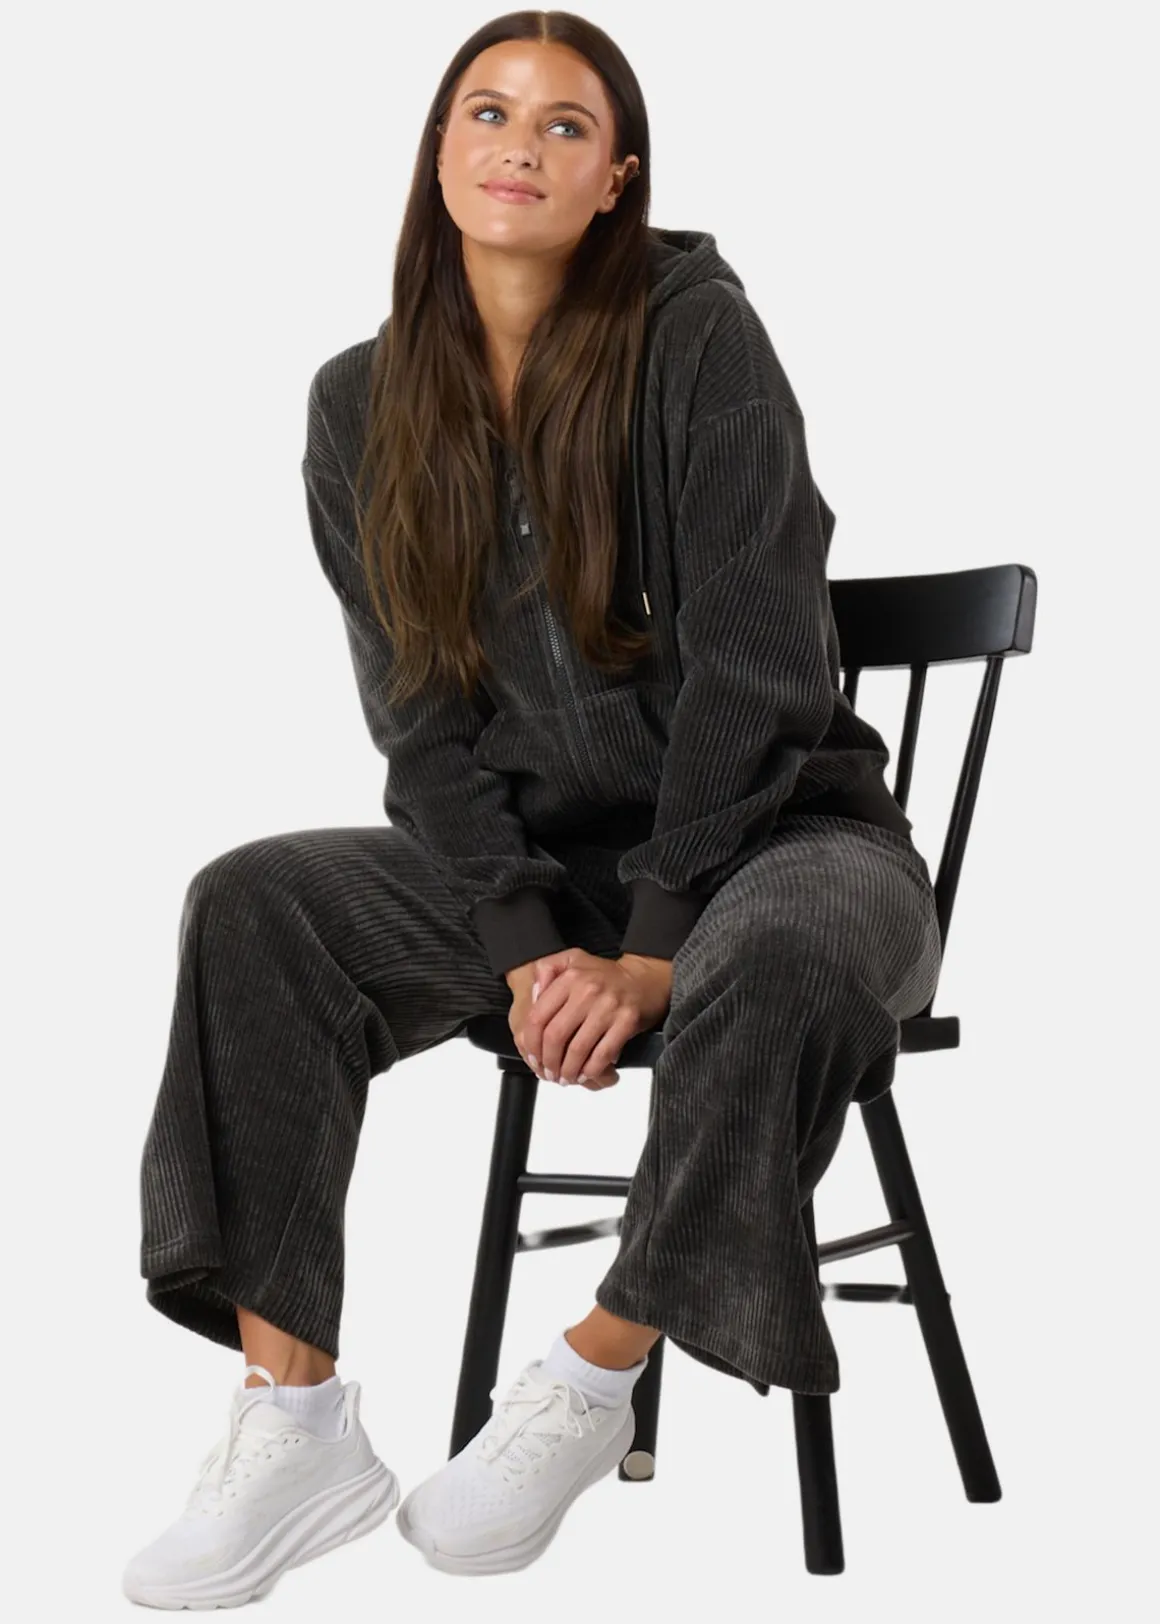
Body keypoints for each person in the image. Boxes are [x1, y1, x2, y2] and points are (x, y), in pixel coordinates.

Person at [123, 11, 943, 1605]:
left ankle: (588, 1373)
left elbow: (759, 668)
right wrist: (525, 940)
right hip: (554, 881)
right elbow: (419, 726)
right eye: (488, 113)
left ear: (614, 178)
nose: (522, 145)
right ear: (439, 155)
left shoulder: (699, 343)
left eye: (568, 125)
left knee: (772, 964)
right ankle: (293, 1418)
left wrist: (654, 945)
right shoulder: (359, 405)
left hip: (793, 849)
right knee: (256, 900)